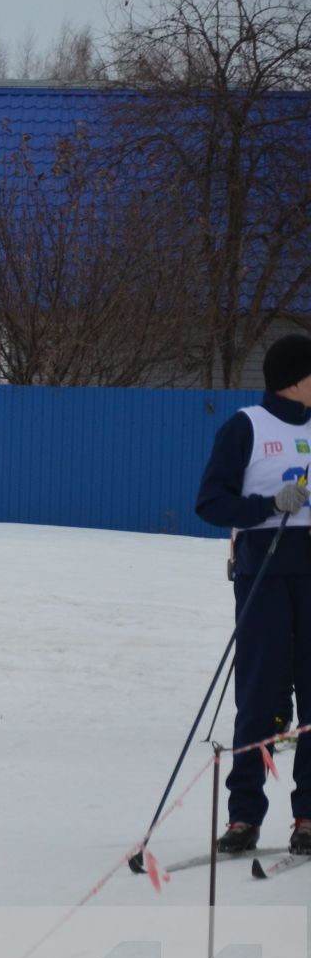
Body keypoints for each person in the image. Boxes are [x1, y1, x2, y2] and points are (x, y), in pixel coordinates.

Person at [195, 333, 311, 857]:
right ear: (295, 379)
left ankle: (307, 814)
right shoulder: (246, 426)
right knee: (260, 692)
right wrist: (267, 504)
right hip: (263, 570)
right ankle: (244, 814)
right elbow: (211, 502)